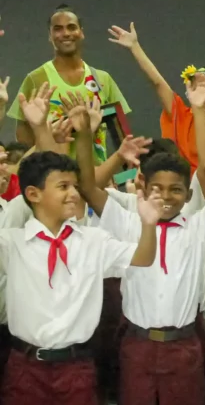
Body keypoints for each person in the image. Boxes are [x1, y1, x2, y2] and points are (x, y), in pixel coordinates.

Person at [74, 92, 205, 405]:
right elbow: (87, 188)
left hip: (183, 346)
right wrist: (84, 135)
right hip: (138, 345)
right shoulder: (127, 222)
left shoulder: (198, 227)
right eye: (157, 189)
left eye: (176, 189)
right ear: (143, 188)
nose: (166, 196)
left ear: (188, 193)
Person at [0, 150, 160, 404]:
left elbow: (143, 257)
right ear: (33, 194)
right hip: (25, 367)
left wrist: (150, 224)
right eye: (63, 186)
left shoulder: (92, 240)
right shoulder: (12, 243)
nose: (74, 194)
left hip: (77, 366)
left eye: (74, 186)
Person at [106, 13, 205, 172]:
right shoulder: (180, 115)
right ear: (189, 94)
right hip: (190, 190)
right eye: (199, 90)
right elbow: (158, 83)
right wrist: (135, 47)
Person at [7, 5, 131, 164]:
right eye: (58, 29)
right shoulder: (36, 79)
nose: (65, 33)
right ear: (50, 36)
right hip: (53, 179)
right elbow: (23, 137)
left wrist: (121, 177)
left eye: (71, 27)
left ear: (81, 32)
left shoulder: (102, 79)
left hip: (97, 179)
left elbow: (122, 136)